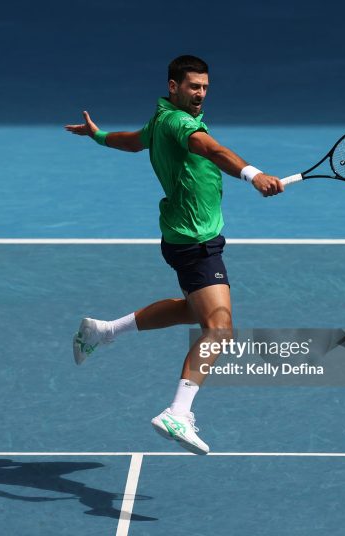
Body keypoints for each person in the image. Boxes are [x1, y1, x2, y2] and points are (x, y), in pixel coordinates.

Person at [64, 55, 284, 455]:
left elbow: (132, 142)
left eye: (204, 87)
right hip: (195, 242)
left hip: (187, 238)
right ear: (173, 86)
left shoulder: (161, 118)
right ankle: (177, 413)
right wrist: (254, 175)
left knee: (193, 311)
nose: (200, 94)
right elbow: (212, 148)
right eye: (193, 87)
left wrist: (97, 136)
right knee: (219, 329)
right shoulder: (183, 124)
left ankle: (104, 331)